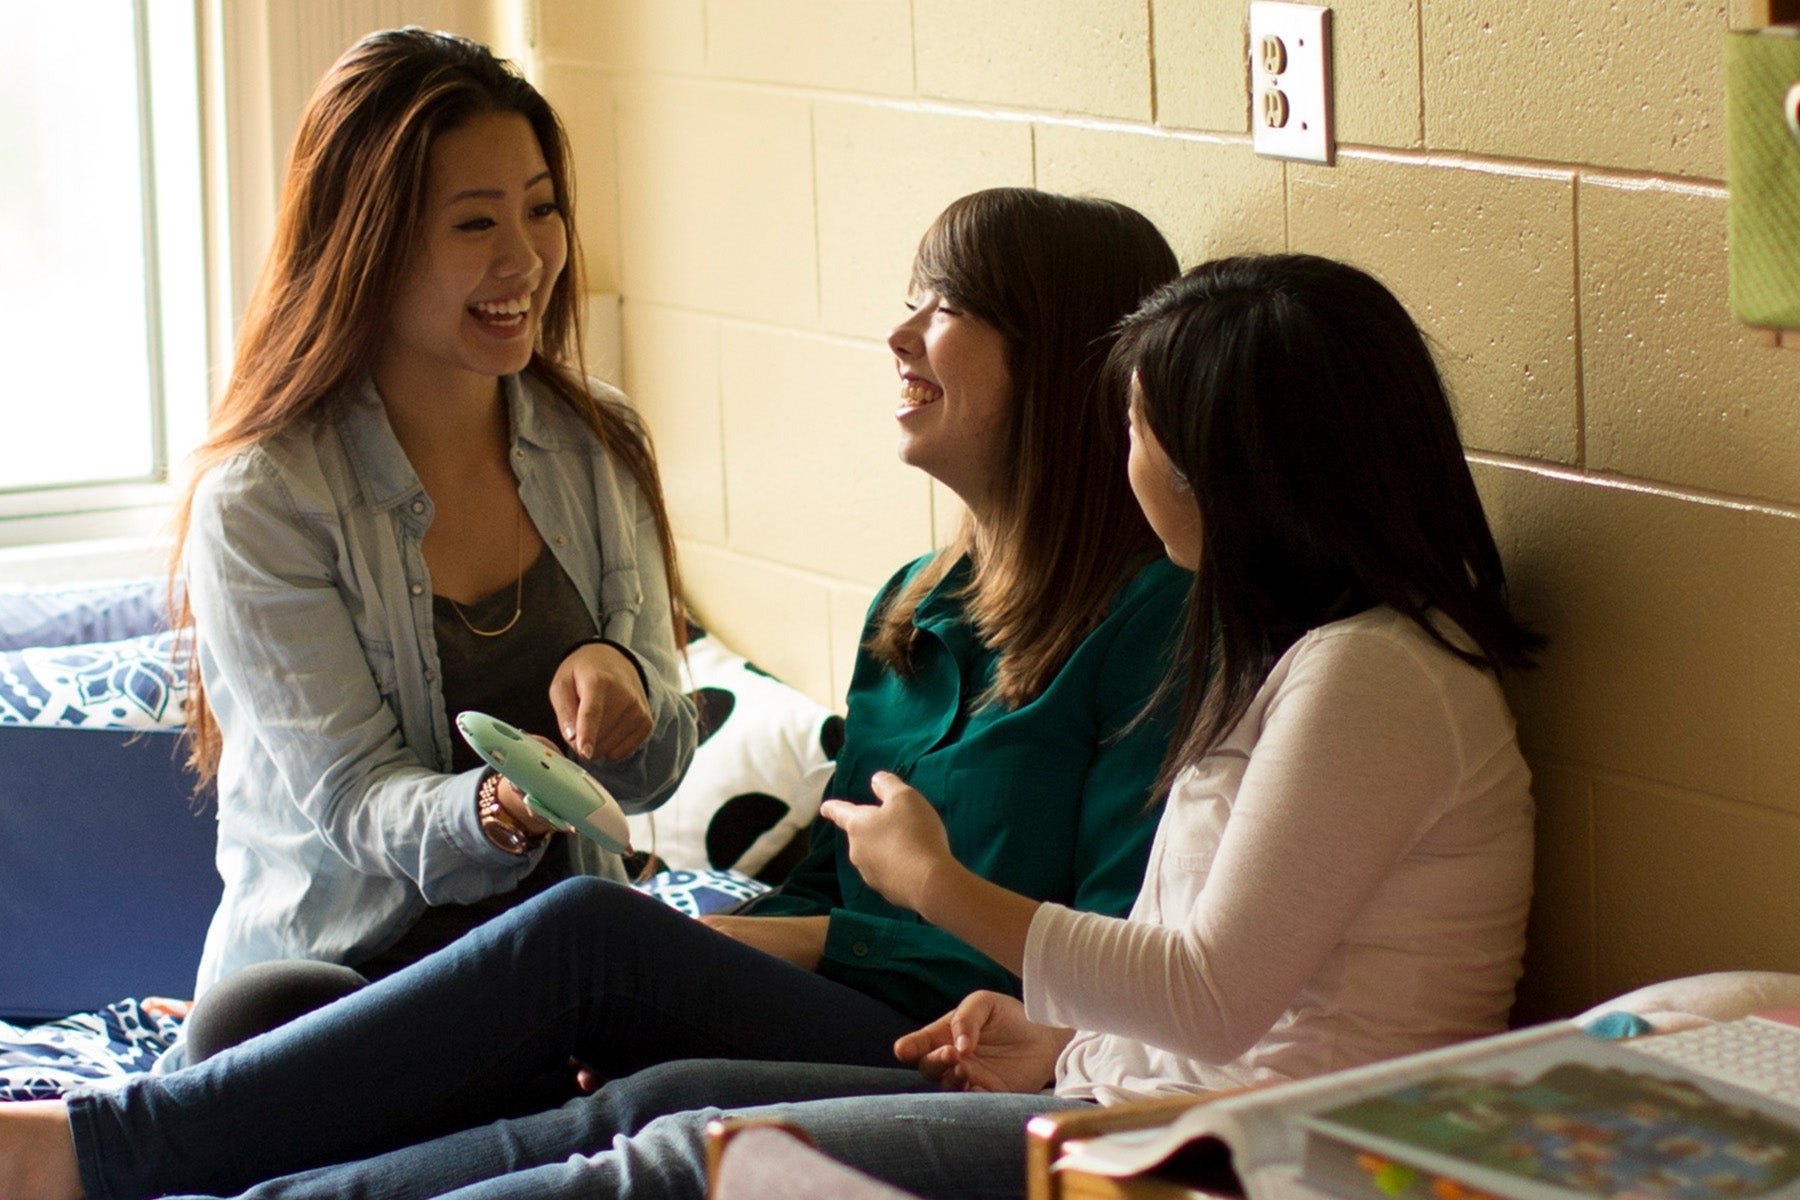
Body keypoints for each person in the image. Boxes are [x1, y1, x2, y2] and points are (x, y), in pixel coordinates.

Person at [0, 253, 1539, 1200]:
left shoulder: (1372, 679)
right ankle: (176, 1165)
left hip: (1221, 1155)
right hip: (1119, 1094)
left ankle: (140, 1163)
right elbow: (1213, 969)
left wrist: (948, 896)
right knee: (667, 1098)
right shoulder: (1281, 662)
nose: (1122, 450)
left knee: (691, 1158)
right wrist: (1053, 1030)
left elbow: (1211, 1001)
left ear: (1231, 468)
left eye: (1142, 426)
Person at [157, 27, 699, 1058]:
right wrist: (502, 809)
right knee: (267, 1030)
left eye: (542, 209)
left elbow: (658, 766)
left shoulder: (600, 445)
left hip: (556, 971)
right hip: (347, 979)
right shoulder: (263, 501)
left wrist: (625, 686)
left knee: (624, 988)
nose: (526, 259)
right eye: (474, 223)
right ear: (369, 242)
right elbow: (358, 805)